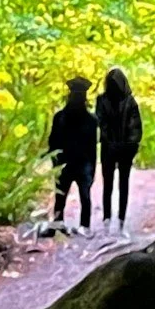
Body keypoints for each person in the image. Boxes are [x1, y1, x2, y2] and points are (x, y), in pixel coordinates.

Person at [95, 67, 143, 230]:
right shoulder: (102, 100)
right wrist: (111, 142)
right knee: (109, 184)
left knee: (123, 184)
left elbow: (135, 127)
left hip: (123, 149)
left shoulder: (130, 102)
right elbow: (102, 123)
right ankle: (107, 217)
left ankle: (120, 218)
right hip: (110, 148)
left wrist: (129, 145)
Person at [47, 75, 96, 230]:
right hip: (67, 163)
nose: (77, 97)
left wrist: (91, 168)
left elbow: (92, 147)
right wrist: (55, 164)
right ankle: (59, 224)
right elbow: (53, 143)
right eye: (76, 93)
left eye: (79, 94)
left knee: (84, 196)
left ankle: (83, 226)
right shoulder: (60, 118)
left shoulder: (91, 120)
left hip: (80, 164)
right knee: (62, 197)